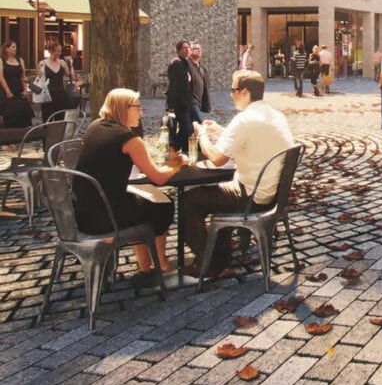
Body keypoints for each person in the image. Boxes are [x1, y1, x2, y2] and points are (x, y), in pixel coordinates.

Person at [184, 71, 294, 278]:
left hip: (252, 197)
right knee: (219, 195)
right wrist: (220, 130)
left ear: (244, 92)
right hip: (273, 196)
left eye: (233, 90)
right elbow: (249, 137)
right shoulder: (273, 114)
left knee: (188, 201)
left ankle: (208, 264)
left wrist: (202, 135)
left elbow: (217, 158)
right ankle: (219, 259)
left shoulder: (245, 119)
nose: (230, 95)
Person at [75, 89, 182, 285]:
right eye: (138, 108)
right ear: (123, 108)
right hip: (107, 218)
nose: (141, 112)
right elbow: (158, 178)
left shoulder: (94, 127)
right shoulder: (130, 139)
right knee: (163, 204)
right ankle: (162, 265)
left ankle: (145, 267)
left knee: (143, 202)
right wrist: (177, 165)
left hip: (83, 214)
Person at [38, 41, 77, 123]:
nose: (60, 53)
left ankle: (58, 135)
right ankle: (47, 135)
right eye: (58, 51)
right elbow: (39, 79)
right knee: (47, 119)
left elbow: (72, 77)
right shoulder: (43, 63)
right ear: (51, 51)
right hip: (48, 94)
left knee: (59, 119)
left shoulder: (62, 62)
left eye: (60, 51)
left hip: (60, 93)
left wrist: (71, 65)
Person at [165, 40, 193, 152]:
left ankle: (175, 148)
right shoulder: (176, 63)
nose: (187, 50)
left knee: (185, 128)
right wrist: (171, 105)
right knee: (187, 128)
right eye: (184, 48)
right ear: (178, 50)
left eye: (188, 48)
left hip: (186, 102)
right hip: (178, 103)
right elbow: (173, 85)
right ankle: (174, 147)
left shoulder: (185, 63)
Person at [0, 41, 31, 128]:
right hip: (7, 89)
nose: (15, 49)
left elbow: (23, 77)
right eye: (13, 47)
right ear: (6, 49)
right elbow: (1, 78)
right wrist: (8, 92)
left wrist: (25, 90)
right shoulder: (1, 60)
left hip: (19, 89)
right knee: (10, 114)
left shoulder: (20, 60)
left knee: (22, 114)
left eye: (15, 47)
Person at [188, 42, 211, 124]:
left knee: (189, 127)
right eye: (195, 49)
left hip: (199, 101)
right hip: (190, 100)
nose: (198, 51)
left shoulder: (201, 68)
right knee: (199, 122)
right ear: (189, 51)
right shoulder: (186, 65)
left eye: (199, 49)